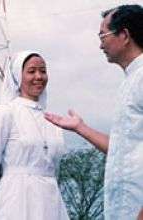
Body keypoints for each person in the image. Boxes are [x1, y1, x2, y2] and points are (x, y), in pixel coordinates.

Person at [45, 4, 143, 220]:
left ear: (124, 35)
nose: (100, 46)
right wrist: (81, 128)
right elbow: (122, 149)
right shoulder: (129, 81)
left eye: (103, 36)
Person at [0, 50, 70, 220]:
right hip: (16, 199)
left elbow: (55, 167)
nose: (38, 76)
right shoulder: (6, 113)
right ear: (18, 76)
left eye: (43, 71)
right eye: (31, 71)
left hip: (51, 200)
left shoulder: (52, 119)